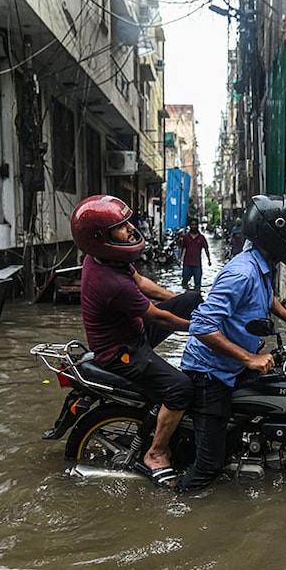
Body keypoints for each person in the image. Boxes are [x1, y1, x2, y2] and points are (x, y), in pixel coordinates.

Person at [177, 195, 286, 492]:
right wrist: (248, 359)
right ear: (274, 235)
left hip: (231, 367)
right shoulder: (241, 273)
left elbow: (267, 298)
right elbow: (201, 325)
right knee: (208, 466)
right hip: (210, 373)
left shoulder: (263, 265)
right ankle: (178, 501)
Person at [70, 195, 201, 488]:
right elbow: (158, 318)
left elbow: (141, 282)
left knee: (191, 298)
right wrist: (200, 329)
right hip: (121, 351)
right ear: (100, 236)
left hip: (135, 330)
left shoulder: (104, 258)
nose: (130, 228)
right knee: (181, 388)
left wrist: (178, 301)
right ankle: (155, 453)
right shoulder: (110, 282)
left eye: (127, 222)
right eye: (121, 226)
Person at [178, 217, 211, 290]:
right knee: (184, 284)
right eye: (192, 225)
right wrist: (179, 259)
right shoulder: (186, 237)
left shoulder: (201, 238)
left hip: (197, 265)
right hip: (187, 264)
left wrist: (209, 260)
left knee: (198, 285)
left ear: (197, 226)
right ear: (190, 226)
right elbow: (181, 248)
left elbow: (206, 249)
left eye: (195, 225)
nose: (194, 226)